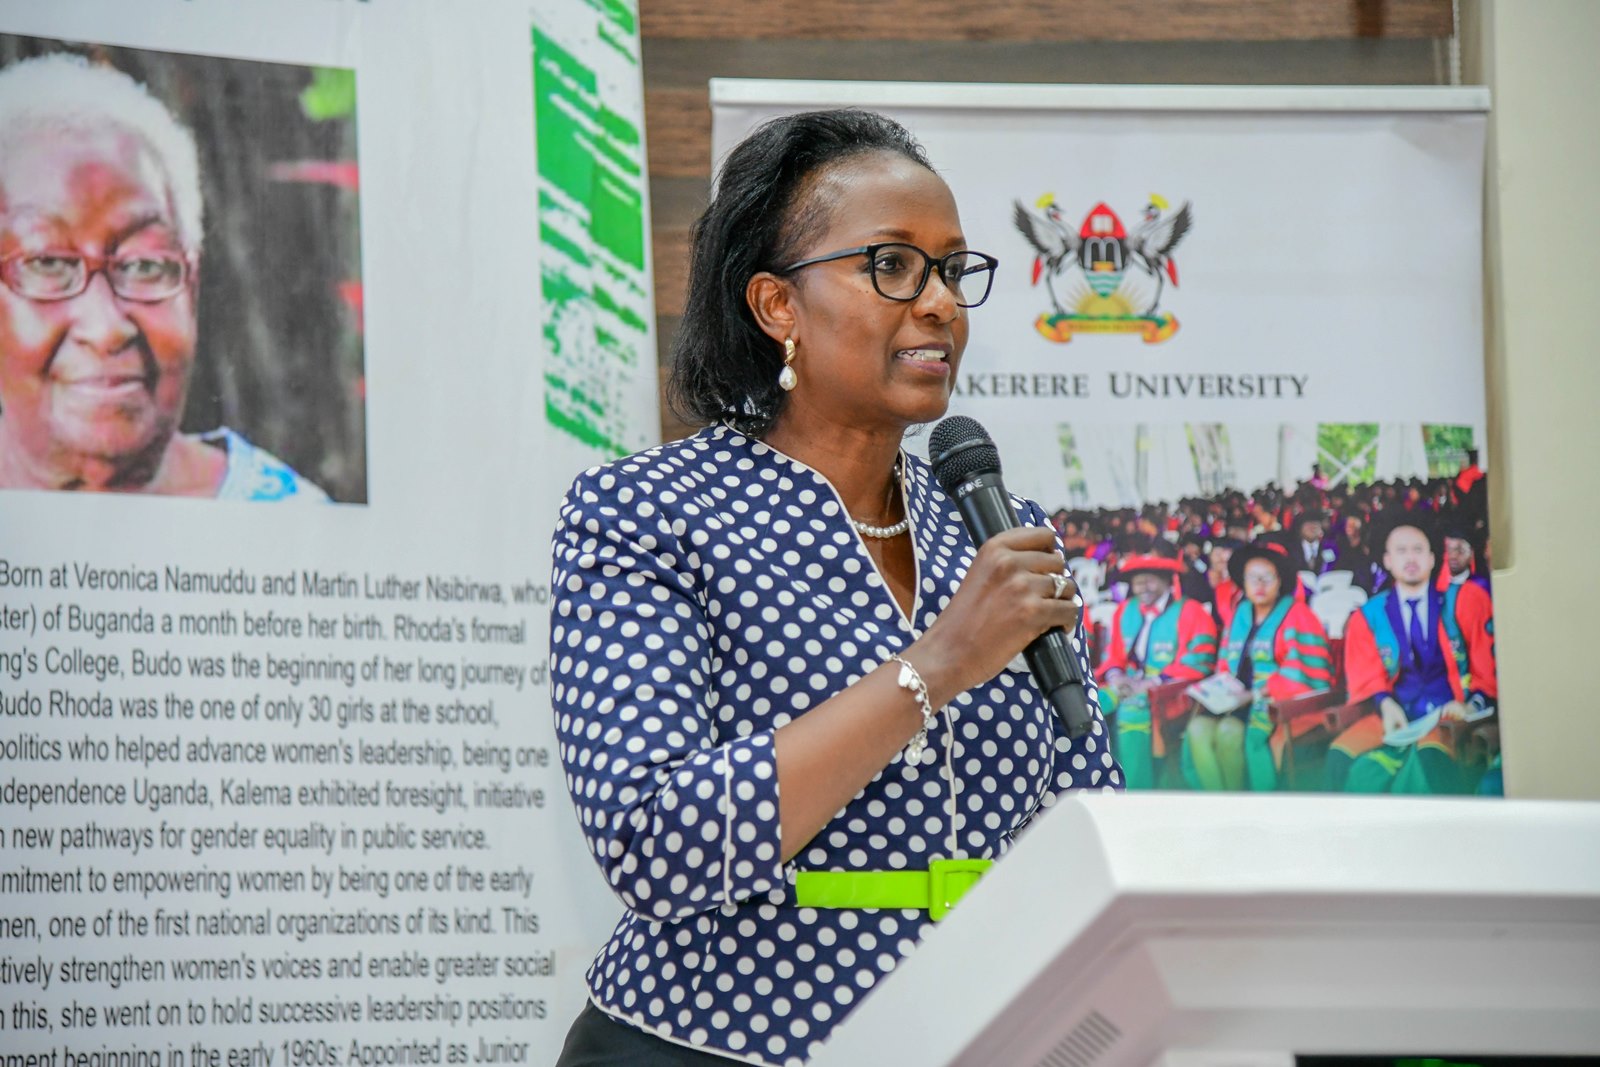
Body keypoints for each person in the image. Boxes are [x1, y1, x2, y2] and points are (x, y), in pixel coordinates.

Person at [549, 109, 1121, 1067]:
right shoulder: (647, 511)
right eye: (892, 266)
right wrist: (937, 664)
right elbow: (653, 841)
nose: (939, 302)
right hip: (714, 1044)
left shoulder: (990, 523)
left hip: (967, 1038)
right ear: (778, 306)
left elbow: (1084, 806)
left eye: (952, 270)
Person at [0, 54, 325, 500]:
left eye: (145, 265)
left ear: (190, 288)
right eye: (47, 263)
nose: (106, 328)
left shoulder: (290, 524)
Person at [1325, 517, 1497, 793]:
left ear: (1432, 559)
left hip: (1449, 714)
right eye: (1401, 551)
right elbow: (1368, 676)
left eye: (1418, 550)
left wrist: (1471, 705)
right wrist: (1385, 704)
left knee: (1430, 759)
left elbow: (1486, 669)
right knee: (1340, 757)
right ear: (1388, 560)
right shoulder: (1369, 615)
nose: (1410, 558)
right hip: (1396, 714)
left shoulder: (1465, 601)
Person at [1181, 542, 1334, 792]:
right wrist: (1215, 688)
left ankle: (1240, 803)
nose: (1259, 585)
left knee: (1229, 733)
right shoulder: (1239, 612)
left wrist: (1254, 694)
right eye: (1252, 577)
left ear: (1280, 581)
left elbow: (1303, 670)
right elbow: (1224, 662)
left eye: (1267, 577)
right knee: (1196, 729)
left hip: (1271, 703)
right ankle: (1216, 801)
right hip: (1231, 701)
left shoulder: (1298, 615)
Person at [1095, 555, 1217, 789]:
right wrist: (1116, 676)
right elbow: (1114, 655)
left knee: (1133, 709)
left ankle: (1136, 790)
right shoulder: (1125, 611)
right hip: (1127, 684)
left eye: (1149, 581)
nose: (1143, 588)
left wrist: (1153, 681)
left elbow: (1198, 661)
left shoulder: (1191, 612)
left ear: (1166, 581)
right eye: (1137, 582)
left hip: (1169, 695)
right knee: (1091, 703)